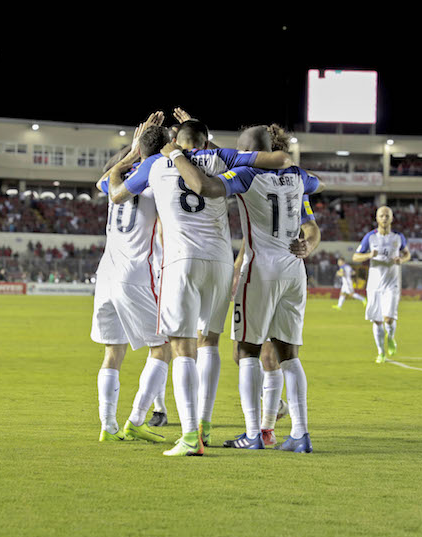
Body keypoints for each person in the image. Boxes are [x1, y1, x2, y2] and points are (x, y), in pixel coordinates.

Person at [110, 117, 293, 456]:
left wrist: (131, 156)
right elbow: (281, 160)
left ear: (176, 140)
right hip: (221, 262)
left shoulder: (156, 162)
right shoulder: (222, 157)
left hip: (182, 261)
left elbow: (116, 193)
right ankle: (206, 424)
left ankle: (191, 436)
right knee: (209, 342)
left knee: (182, 348)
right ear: (206, 141)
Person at [172, 124, 322, 452]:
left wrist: (174, 154)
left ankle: (253, 433)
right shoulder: (299, 176)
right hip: (295, 271)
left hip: (261, 270)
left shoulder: (244, 175)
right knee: (288, 355)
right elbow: (318, 182)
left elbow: (203, 186)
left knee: (247, 352)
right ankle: (300, 433)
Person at [93, 113, 173, 444]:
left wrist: (131, 151)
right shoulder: (158, 179)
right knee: (163, 348)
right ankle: (137, 419)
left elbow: (104, 180)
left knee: (113, 352)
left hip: (106, 274)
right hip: (136, 273)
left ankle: (108, 426)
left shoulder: (117, 177)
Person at [353, 206, 411, 363]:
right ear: (377, 218)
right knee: (377, 320)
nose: (384, 218)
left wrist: (402, 260)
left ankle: (391, 337)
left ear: (391, 218)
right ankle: (381, 352)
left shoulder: (398, 237)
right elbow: (355, 257)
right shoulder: (370, 237)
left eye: (387, 216)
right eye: (381, 216)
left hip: (392, 284)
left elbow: (407, 254)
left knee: (388, 319)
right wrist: (369, 255)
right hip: (374, 285)